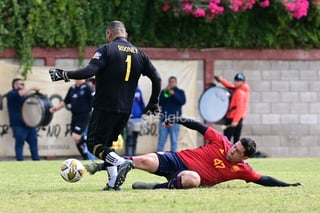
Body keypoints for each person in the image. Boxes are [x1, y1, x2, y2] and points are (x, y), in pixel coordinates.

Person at [48, 20, 161, 190]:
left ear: (108, 34)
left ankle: (122, 162)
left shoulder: (106, 49)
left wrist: (64, 74)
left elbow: (89, 71)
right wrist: (153, 102)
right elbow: (157, 78)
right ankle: (113, 183)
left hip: (105, 106)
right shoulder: (140, 53)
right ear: (126, 35)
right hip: (125, 110)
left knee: (93, 144)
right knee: (105, 147)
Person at [85, 117, 302, 190]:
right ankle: (100, 166)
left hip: (185, 176)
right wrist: (176, 120)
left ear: (244, 158)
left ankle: (156, 187)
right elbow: (198, 126)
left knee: (193, 179)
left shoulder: (242, 170)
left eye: (237, 152)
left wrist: (289, 186)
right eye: (234, 146)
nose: (232, 150)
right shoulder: (221, 141)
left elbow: (263, 179)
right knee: (142, 159)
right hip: (176, 159)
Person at [50, 79, 94, 160]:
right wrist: (56, 108)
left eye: (80, 77)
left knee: (76, 136)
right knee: (76, 139)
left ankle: (92, 139)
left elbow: (94, 99)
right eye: (76, 77)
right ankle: (85, 157)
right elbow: (66, 101)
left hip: (84, 115)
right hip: (75, 115)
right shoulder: (72, 88)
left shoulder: (87, 87)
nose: (78, 79)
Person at [6, 78, 40, 161]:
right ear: (15, 85)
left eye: (23, 84)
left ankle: (37, 163)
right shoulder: (11, 94)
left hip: (29, 125)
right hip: (18, 125)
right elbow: (20, 93)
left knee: (34, 145)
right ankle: (20, 164)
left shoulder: (24, 96)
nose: (23, 86)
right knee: (19, 145)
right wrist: (31, 88)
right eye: (21, 84)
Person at [214, 73, 249, 143]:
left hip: (233, 118)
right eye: (236, 80)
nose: (236, 82)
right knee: (235, 139)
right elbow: (231, 86)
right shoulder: (241, 89)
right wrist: (222, 80)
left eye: (239, 81)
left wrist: (235, 121)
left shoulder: (239, 92)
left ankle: (227, 153)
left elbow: (240, 108)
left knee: (227, 140)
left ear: (243, 82)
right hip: (237, 118)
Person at [157, 76, 186, 152]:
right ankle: (159, 157)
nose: (171, 83)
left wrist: (174, 94)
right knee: (161, 141)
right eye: (170, 82)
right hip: (164, 119)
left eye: (173, 82)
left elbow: (182, 102)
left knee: (174, 141)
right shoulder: (164, 92)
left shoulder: (180, 92)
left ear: (176, 83)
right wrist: (164, 93)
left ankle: (173, 159)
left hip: (175, 121)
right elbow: (160, 103)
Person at [125, 87, 145, 156]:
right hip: (129, 118)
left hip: (137, 118)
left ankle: (133, 154)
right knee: (129, 137)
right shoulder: (126, 89)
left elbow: (141, 102)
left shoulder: (138, 91)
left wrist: (144, 112)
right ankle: (128, 155)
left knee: (135, 137)